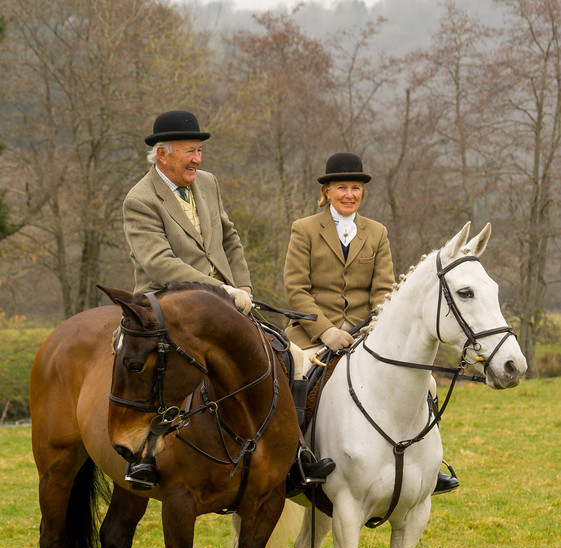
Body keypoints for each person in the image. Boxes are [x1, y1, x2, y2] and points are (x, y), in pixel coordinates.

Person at [120, 109, 331, 490]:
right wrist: (220, 292)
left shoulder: (208, 183)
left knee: (286, 356)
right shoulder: (139, 199)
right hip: (168, 303)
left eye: (199, 151)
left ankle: (295, 454)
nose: (197, 159)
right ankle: (145, 456)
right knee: (166, 370)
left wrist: (243, 289)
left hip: (227, 302)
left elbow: (231, 239)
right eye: (190, 151)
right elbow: (159, 263)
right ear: (162, 154)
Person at [283, 152, 459, 495]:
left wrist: (375, 322)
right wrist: (327, 330)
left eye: (355, 188)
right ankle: (296, 459)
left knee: (428, 385)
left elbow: (384, 290)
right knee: (298, 377)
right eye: (342, 187)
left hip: (367, 333)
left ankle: (429, 464)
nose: (349, 194)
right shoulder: (304, 229)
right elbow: (296, 290)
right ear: (327, 191)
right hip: (314, 334)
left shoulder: (376, 232)